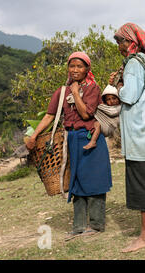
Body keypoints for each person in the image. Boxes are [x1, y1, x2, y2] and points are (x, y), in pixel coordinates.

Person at [26, 51, 112, 239]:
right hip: (71, 139)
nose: (75, 70)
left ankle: (96, 225)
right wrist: (34, 135)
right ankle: (79, 226)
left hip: (90, 138)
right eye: (72, 66)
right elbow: (50, 115)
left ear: (87, 69)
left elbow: (86, 114)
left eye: (79, 66)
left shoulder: (92, 88)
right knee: (76, 180)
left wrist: (75, 91)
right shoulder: (61, 91)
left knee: (94, 180)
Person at [109, 22, 145, 253]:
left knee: (144, 187)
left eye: (121, 41)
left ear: (131, 42)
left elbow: (130, 95)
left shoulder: (134, 63)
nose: (119, 46)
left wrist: (118, 85)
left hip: (141, 136)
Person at [83, 84, 121, 149]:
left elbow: (112, 112)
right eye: (108, 99)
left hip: (115, 128)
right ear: (105, 101)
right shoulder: (103, 108)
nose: (112, 101)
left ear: (119, 98)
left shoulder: (121, 107)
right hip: (104, 127)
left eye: (114, 98)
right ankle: (93, 141)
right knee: (97, 124)